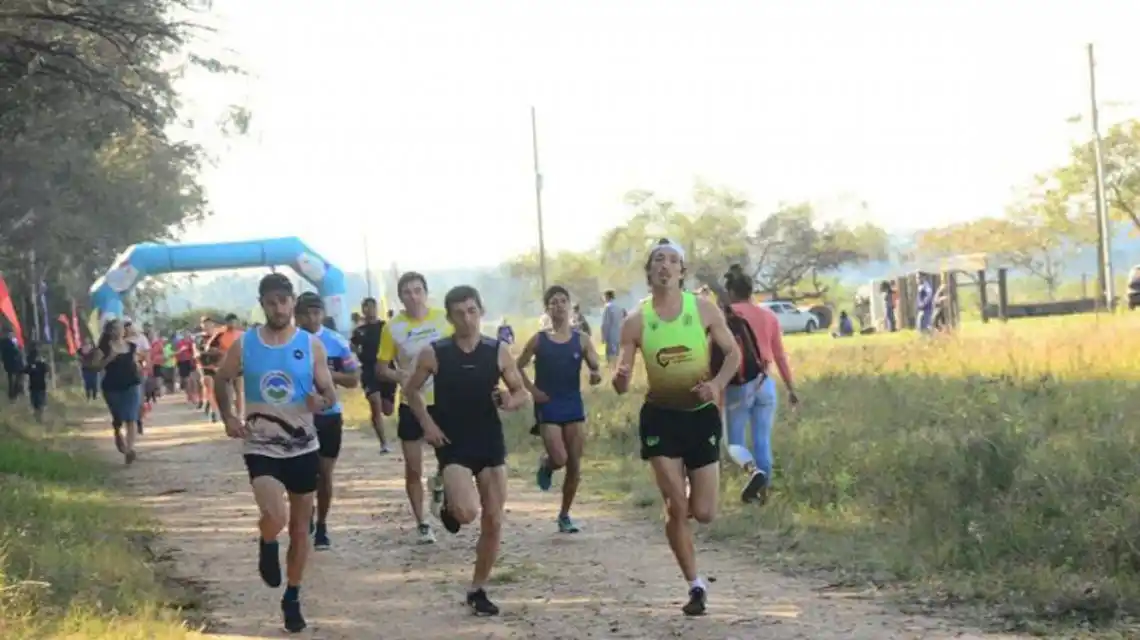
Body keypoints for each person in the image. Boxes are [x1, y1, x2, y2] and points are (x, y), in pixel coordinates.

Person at [611, 239, 741, 617]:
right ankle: (695, 584)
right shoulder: (635, 321)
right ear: (649, 272)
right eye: (658, 260)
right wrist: (620, 378)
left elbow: (733, 353)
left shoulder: (701, 309)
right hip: (660, 419)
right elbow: (621, 380)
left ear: (682, 272)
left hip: (700, 415)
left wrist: (716, 385)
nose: (665, 266)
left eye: (673, 261)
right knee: (677, 506)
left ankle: (685, 492)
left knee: (704, 512)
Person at [213, 274, 336, 634]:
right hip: (260, 444)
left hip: (303, 445)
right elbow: (221, 379)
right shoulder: (246, 344)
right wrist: (229, 417)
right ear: (262, 304)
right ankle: (267, 539)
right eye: (271, 302)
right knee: (275, 515)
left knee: (301, 529)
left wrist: (322, 401)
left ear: (292, 302)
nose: (278, 308)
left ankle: (293, 596)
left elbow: (329, 392)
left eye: (284, 301)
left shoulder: (311, 344)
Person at [404, 285, 528, 616]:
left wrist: (509, 401)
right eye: (459, 313)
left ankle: (478, 589)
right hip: (453, 443)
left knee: (494, 519)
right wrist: (427, 425)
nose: (467, 319)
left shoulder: (497, 351)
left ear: (481, 312)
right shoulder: (435, 352)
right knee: (468, 514)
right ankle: (447, 503)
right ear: (449, 317)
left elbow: (520, 392)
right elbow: (411, 390)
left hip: (489, 439)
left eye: (472, 311)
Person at [516, 285, 602, 533]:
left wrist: (595, 374)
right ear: (547, 308)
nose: (559, 305)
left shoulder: (581, 339)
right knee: (560, 458)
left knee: (574, 464)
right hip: (548, 404)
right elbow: (517, 367)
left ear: (570, 306)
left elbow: (595, 367)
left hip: (572, 403)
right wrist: (533, 391)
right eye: (553, 302)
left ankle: (564, 515)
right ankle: (547, 463)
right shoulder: (539, 340)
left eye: (563, 301)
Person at [376, 272, 452, 544]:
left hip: (444, 401)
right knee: (413, 468)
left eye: (418, 290)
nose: (413, 296)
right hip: (411, 403)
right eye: (407, 292)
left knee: (452, 461)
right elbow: (381, 368)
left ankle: (440, 484)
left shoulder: (444, 319)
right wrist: (401, 377)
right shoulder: (392, 328)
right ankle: (422, 522)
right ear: (400, 297)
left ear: (426, 293)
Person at [721, 266, 798, 505]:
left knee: (734, 442)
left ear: (731, 291)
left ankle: (753, 471)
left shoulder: (725, 315)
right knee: (762, 440)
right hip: (766, 383)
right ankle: (762, 496)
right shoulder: (769, 317)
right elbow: (780, 355)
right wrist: (791, 388)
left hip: (738, 384)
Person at [295, 292, 359, 550]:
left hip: (329, 416)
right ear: (297, 316)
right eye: (306, 313)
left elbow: (354, 379)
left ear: (323, 314)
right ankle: (305, 515)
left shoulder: (336, 342)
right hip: (297, 416)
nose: (312, 318)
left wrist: (326, 374)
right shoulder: (287, 341)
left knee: (324, 473)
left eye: (316, 312)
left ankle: (321, 524)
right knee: (302, 473)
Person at [91, 319, 142, 464]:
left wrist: (139, 368)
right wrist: (109, 358)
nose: (119, 330)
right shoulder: (103, 348)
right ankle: (117, 432)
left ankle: (129, 449)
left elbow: (135, 363)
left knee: (131, 417)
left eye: (121, 328)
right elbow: (95, 368)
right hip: (112, 387)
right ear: (110, 331)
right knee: (119, 417)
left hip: (132, 384)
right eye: (116, 328)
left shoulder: (131, 346)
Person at [351, 297, 395, 453]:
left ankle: (390, 434)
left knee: (388, 410)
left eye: (372, 307)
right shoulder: (359, 331)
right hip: (369, 371)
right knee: (375, 404)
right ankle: (383, 443)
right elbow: (352, 348)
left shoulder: (385, 327)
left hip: (386, 369)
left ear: (376, 309)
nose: (369, 310)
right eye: (366, 307)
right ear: (363, 310)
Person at [197, 317, 220, 420]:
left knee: (217, 390)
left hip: (218, 366)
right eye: (205, 324)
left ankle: (209, 404)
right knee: (209, 386)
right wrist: (208, 352)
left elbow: (223, 351)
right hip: (205, 366)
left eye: (209, 324)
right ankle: (214, 412)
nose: (207, 327)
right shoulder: (199, 338)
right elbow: (197, 353)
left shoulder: (218, 337)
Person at [23, 342, 49, 421]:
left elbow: (46, 370)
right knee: (37, 403)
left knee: (38, 403)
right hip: (36, 386)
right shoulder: (33, 362)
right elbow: (26, 370)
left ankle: (39, 417)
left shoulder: (40, 363)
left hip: (38, 386)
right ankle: (38, 417)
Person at [600, 290, 623, 369]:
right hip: (620, 334)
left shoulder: (607, 307)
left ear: (607, 297)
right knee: (618, 354)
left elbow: (605, 324)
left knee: (611, 355)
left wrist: (603, 336)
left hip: (611, 335)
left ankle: (612, 370)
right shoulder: (619, 307)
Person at [1, 326, 22, 400]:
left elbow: (18, 349)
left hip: (16, 362)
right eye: (10, 333)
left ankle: (16, 390)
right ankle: (12, 394)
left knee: (18, 376)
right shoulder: (4, 342)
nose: (11, 335)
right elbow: (8, 351)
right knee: (12, 378)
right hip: (10, 362)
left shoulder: (14, 340)